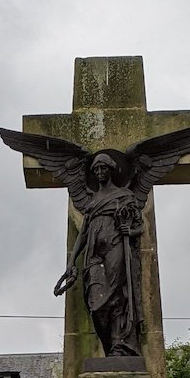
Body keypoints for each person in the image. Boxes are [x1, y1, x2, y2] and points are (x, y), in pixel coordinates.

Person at [55, 153, 145, 357]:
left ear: (111, 170)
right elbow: (84, 233)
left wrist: (128, 232)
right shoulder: (93, 199)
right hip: (93, 255)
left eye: (103, 168)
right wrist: (71, 262)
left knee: (116, 298)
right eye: (96, 170)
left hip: (116, 248)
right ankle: (109, 346)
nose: (99, 172)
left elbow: (140, 227)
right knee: (96, 304)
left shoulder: (125, 195)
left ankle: (119, 346)